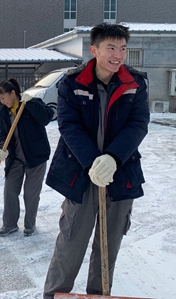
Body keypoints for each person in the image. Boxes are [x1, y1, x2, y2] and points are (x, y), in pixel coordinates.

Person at [43, 23, 150, 298]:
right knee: (71, 241)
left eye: (123, 48)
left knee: (108, 244)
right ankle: (53, 294)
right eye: (111, 47)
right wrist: (93, 162)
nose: (118, 55)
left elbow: (138, 124)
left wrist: (113, 159)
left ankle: (99, 293)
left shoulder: (135, 83)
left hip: (120, 173)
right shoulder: (72, 82)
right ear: (94, 50)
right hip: (80, 173)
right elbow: (69, 126)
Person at [0, 78, 54, 237]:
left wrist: (32, 103)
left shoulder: (31, 104)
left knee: (30, 193)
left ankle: (29, 225)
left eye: (3, 98)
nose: (2, 102)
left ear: (13, 93)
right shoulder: (3, 115)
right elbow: (3, 135)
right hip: (15, 158)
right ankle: (10, 225)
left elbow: (47, 117)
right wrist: (2, 148)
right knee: (10, 191)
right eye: (0, 100)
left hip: (36, 157)